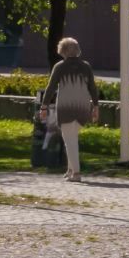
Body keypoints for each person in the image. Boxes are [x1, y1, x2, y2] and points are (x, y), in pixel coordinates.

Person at [43, 36, 101, 181]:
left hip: (66, 106)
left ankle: (76, 173)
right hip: (83, 107)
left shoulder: (60, 67)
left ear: (62, 51)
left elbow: (50, 88)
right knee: (71, 138)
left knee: (70, 140)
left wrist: (44, 106)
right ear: (77, 50)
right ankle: (70, 170)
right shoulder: (86, 66)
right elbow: (92, 88)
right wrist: (96, 106)